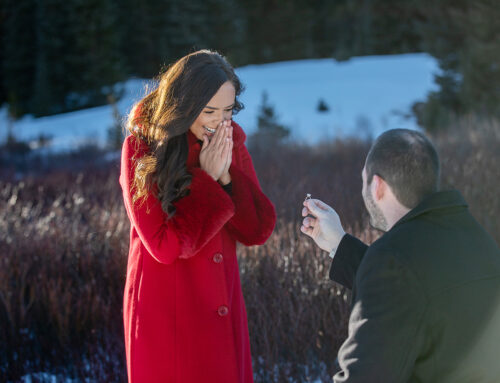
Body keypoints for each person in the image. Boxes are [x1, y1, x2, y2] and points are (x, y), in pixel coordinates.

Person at [119, 50, 276, 383]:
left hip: (220, 306)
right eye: (209, 111)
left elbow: (257, 229)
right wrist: (205, 179)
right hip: (167, 317)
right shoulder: (140, 150)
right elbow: (163, 246)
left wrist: (226, 178)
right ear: (185, 104)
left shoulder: (229, 139)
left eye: (228, 110)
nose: (220, 121)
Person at [301, 129, 500, 382]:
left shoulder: (392, 261)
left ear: (377, 186)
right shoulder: (475, 238)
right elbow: (420, 285)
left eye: (364, 181)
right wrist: (339, 245)